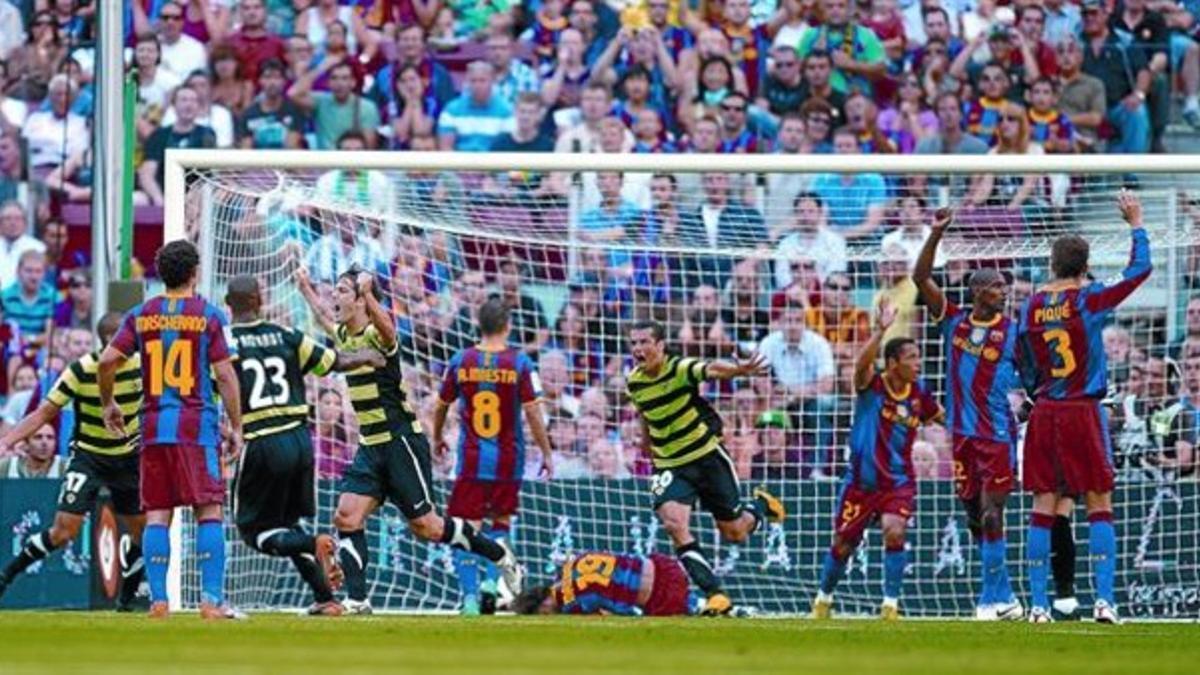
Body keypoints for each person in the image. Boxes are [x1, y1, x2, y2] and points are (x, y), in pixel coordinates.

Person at [296, 264, 522, 615]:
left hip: (401, 441)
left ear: (360, 301)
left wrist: (370, 294)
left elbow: (389, 331)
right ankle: (357, 600)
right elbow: (325, 316)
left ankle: (500, 555)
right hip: (370, 445)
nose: (334, 297)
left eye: (342, 291)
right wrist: (305, 287)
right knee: (346, 517)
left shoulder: (378, 335)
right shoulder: (344, 334)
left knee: (428, 528)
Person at [1017, 189, 1152, 624]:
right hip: (1082, 411)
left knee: (1042, 506)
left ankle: (1038, 606)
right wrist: (1136, 224)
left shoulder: (1031, 306)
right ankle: (1105, 602)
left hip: (1045, 411)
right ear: (1083, 266)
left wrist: (1032, 391)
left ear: (1052, 264)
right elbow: (1140, 270)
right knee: (1099, 503)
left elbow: (1019, 358)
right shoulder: (1088, 298)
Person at [98, 240, 244, 620]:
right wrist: (237, 426)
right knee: (208, 511)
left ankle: (159, 601)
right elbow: (225, 375)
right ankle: (211, 601)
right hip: (196, 427)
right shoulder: (209, 317)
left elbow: (107, 360)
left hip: (153, 428)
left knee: (159, 514)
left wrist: (108, 403)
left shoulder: (141, 315)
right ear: (195, 272)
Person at [225, 275, 385, 616]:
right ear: (261, 299)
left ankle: (316, 544)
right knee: (287, 525)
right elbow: (334, 362)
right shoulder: (287, 335)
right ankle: (326, 599)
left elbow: (220, 383)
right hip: (300, 442)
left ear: (229, 305)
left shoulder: (224, 341)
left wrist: (228, 429)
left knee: (254, 531)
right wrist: (368, 355)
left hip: (261, 441)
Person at [625, 319, 785, 615]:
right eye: (633, 342)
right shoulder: (634, 381)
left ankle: (760, 506)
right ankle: (716, 594)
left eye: (644, 342)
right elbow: (645, 412)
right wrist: (645, 445)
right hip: (670, 463)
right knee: (674, 524)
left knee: (735, 532)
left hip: (706, 457)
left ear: (660, 345)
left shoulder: (679, 368)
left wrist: (738, 370)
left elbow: (710, 368)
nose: (637, 348)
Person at [912, 208, 1023, 621]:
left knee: (994, 511)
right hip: (960, 434)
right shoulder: (954, 320)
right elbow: (919, 279)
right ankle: (1006, 597)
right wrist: (936, 234)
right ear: (978, 291)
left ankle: (988, 599)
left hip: (995, 434)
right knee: (974, 515)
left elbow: (1030, 374)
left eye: (1004, 286)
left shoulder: (1013, 331)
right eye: (996, 286)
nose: (1003, 291)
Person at [0, 313, 144, 609]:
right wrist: (7, 441)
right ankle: (7, 575)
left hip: (129, 457)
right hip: (89, 457)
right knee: (64, 532)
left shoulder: (143, 368)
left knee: (145, 533)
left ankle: (127, 601)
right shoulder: (81, 370)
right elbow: (43, 413)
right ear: (108, 341)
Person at [812, 301, 943, 620]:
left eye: (918, 356)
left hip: (898, 482)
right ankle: (823, 600)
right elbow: (860, 366)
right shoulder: (873, 386)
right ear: (893, 363)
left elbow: (941, 418)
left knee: (894, 530)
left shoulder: (919, 393)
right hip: (861, 482)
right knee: (843, 545)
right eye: (911, 357)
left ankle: (890, 606)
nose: (918, 363)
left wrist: (970, 436)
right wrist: (881, 330)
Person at [431, 297, 553, 615]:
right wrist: (546, 452)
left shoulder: (461, 360)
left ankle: (470, 598)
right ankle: (489, 582)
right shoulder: (520, 363)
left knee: (464, 529)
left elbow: (441, 404)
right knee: (499, 525)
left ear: (478, 325)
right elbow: (534, 413)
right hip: (508, 462)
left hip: (471, 461)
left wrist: (437, 437)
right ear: (507, 326)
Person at [512, 550, 699, 616]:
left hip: (662, 596)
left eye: (542, 614)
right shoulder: (569, 567)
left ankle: (701, 606)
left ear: (544, 603)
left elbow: (620, 615)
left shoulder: (571, 606)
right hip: (664, 565)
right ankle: (702, 605)